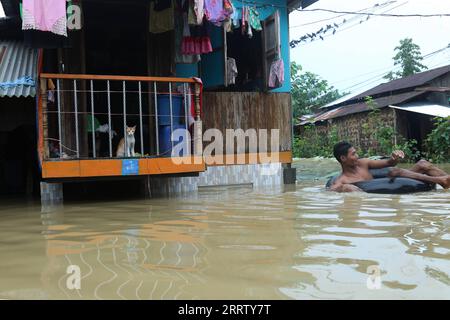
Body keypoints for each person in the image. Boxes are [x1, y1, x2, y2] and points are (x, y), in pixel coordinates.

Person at [330, 141, 450, 192]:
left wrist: (394, 158)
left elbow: (388, 163)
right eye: (353, 154)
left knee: (422, 163)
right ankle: (441, 181)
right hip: (387, 188)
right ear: (343, 158)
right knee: (396, 172)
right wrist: (345, 189)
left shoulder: (363, 163)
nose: (357, 155)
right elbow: (331, 190)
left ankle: (445, 180)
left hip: (395, 179)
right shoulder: (342, 180)